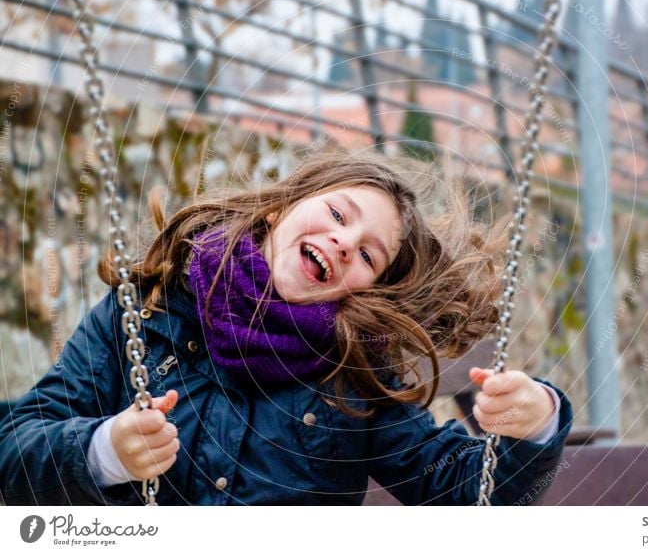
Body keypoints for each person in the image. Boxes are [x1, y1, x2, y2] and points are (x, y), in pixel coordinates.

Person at [0, 151, 572, 506]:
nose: (345, 241)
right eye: (338, 214)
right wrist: (104, 452)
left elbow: (464, 492)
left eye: (368, 256)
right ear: (282, 208)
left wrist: (536, 425)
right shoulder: (147, 309)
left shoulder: (357, 377)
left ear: (364, 293)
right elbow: (15, 448)